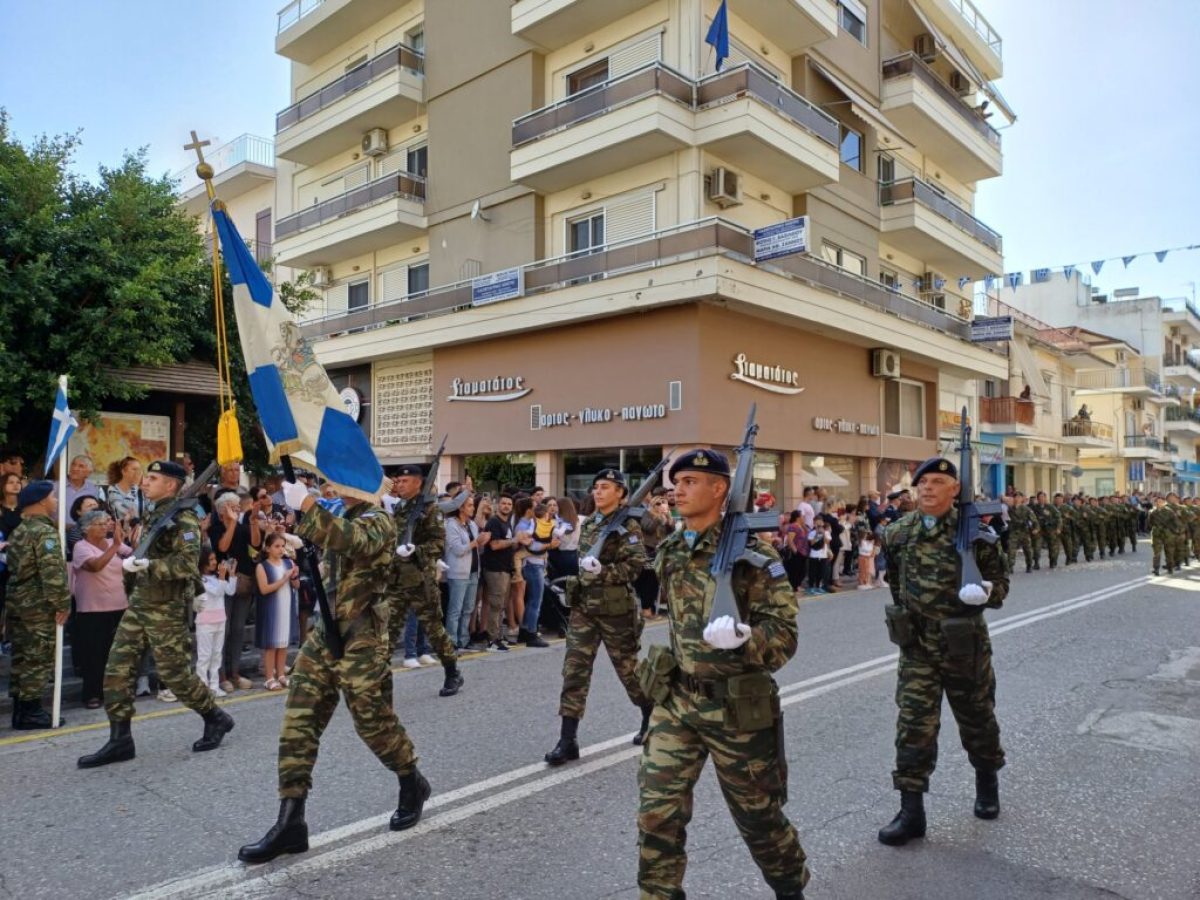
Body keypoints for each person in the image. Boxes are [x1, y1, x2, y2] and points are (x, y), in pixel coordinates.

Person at [637, 449, 808, 899]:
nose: (678, 489)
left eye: (691, 481)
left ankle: (791, 890)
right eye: (677, 482)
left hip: (736, 710)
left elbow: (785, 636)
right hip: (678, 703)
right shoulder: (673, 550)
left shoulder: (756, 556)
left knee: (759, 819)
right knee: (657, 814)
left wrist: (745, 639)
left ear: (720, 489)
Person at [238, 478, 431, 864]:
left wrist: (308, 505)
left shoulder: (380, 520)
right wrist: (305, 546)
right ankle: (291, 820)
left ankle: (411, 779)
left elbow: (353, 541)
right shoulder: (343, 514)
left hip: (362, 636)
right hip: (327, 631)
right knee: (298, 718)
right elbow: (335, 554)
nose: (337, 487)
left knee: (370, 720)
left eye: (344, 480)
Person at [877, 457, 1008, 846]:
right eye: (924, 482)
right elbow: (897, 585)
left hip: (964, 647)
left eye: (939, 482)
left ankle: (987, 784)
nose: (929, 488)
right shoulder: (897, 534)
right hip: (917, 648)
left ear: (956, 490)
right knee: (913, 728)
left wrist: (985, 593)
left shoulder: (978, 535)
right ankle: (911, 812)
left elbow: (1000, 586)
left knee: (977, 718)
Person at [78, 460, 233, 768]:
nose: (145, 483)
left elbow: (187, 566)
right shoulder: (153, 512)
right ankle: (120, 739)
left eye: (152, 478)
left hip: (166, 609)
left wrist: (149, 566)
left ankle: (216, 717)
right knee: (116, 671)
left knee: (176, 676)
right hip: (139, 605)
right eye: (146, 477)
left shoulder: (184, 520)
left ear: (171, 486)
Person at [545, 469, 653, 765]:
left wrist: (603, 571)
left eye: (605, 487)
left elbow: (636, 567)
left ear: (620, 492)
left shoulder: (629, 526)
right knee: (574, 672)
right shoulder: (590, 523)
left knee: (630, 673)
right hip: (585, 610)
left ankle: (650, 716)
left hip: (616, 612)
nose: (598, 491)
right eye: (596, 487)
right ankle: (568, 740)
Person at [385, 464, 463, 698]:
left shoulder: (429, 509)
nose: (399, 484)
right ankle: (378, 681)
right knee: (387, 630)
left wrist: (415, 549)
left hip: (421, 579)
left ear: (419, 483)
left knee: (434, 630)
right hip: (397, 579)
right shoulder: (398, 507)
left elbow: (438, 543)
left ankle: (452, 672)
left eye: (404, 481)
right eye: (397, 481)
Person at [5, 480, 71, 729]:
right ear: (42, 501)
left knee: (22, 657)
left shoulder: (20, 529)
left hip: (19, 603)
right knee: (38, 657)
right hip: (37, 605)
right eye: (53, 497)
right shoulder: (44, 532)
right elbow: (52, 573)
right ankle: (31, 711)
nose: (55, 501)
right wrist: (63, 604)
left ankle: (21, 710)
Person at [71, 510, 132, 708]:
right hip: (93, 609)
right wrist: (115, 546)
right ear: (87, 528)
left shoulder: (113, 544)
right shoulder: (81, 547)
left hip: (119, 605)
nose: (106, 526)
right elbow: (96, 566)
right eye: (100, 524)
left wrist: (134, 536)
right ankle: (92, 694)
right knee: (94, 654)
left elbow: (132, 556)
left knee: (116, 654)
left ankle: (114, 691)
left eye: (107, 522)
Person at [209, 489, 258, 693]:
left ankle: (235, 671)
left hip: (243, 580)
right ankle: (220, 674)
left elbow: (255, 542)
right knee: (225, 629)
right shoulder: (217, 527)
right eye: (233, 507)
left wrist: (253, 521)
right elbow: (222, 547)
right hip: (223, 582)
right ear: (223, 510)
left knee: (238, 629)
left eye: (238, 507)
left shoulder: (241, 525)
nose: (237, 511)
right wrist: (230, 524)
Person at [444, 494, 487, 650]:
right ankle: (452, 641)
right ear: (460, 507)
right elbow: (457, 550)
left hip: (474, 571)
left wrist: (482, 541)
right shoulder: (451, 525)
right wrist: (476, 542)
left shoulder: (471, 525)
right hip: (458, 572)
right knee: (455, 609)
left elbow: (476, 548)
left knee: (468, 608)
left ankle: (464, 639)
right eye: (469, 505)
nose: (473, 508)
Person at [256, 533, 298, 691]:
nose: (281, 549)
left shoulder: (288, 563)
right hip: (271, 608)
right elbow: (264, 589)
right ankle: (269, 678)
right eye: (277, 546)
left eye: (283, 546)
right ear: (268, 548)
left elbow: (297, 585)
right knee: (271, 644)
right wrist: (284, 579)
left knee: (283, 643)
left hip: (286, 606)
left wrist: (294, 576)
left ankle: (281, 675)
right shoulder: (262, 566)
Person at [194, 549, 236, 697]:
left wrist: (231, 574)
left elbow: (230, 591)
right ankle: (202, 687)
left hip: (220, 620)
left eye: (214, 559)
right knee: (204, 656)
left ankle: (214, 685)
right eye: (211, 560)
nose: (214, 562)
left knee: (217, 655)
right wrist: (223, 576)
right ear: (203, 562)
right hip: (205, 622)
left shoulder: (216, 578)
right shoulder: (200, 579)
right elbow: (217, 592)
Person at [480, 495, 517, 651]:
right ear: (498, 506)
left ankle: (498, 636)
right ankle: (492, 640)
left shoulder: (507, 522)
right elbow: (494, 545)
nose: (506, 506)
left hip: (505, 569)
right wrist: (514, 540)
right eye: (503, 503)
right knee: (496, 604)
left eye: (509, 504)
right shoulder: (494, 522)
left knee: (500, 605)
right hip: (495, 569)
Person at [519, 500, 556, 647]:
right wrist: (549, 545)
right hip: (533, 565)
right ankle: (531, 634)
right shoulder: (531, 526)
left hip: (536, 564)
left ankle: (526, 630)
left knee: (533, 601)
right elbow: (532, 545)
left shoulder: (537, 526)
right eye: (548, 513)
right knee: (535, 601)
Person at [65, 455, 104, 524]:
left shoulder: (93, 490)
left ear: (89, 472)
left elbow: (96, 513)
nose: (75, 468)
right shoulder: (56, 486)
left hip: (83, 532)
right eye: (73, 465)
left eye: (81, 466)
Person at [105, 456, 143, 523]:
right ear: (123, 472)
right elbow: (123, 511)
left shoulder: (141, 490)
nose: (138, 473)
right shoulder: (113, 490)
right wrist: (135, 486)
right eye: (134, 469)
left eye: (139, 470)